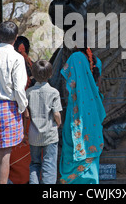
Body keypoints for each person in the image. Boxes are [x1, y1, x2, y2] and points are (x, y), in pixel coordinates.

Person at [0, 21, 29, 184]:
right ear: (16, 38)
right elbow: (19, 87)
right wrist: (23, 108)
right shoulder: (16, 57)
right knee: (5, 155)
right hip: (8, 108)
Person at [59, 31, 106, 184]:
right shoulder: (97, 62)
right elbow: (97, 86)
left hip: (77, 112)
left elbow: (69, 85)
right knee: (91, 145)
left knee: (71, 145)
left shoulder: (75, 58)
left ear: (76, 44)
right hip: (93, 111)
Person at [26, 60, 62, 184]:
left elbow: (26, 113)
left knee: (35, 163)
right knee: (49, 163)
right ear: (50, 75)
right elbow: (56, 113)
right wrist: (58, 123)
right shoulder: (54, 93)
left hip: (34, 135)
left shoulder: (29, 92)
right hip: (50, 134)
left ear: (33, 75)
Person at [7, 36, 35, 184]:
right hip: (32, 117)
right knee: (30, 152)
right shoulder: (33, 67)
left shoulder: (10, 66)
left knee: (13, 151)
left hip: (13, 114)